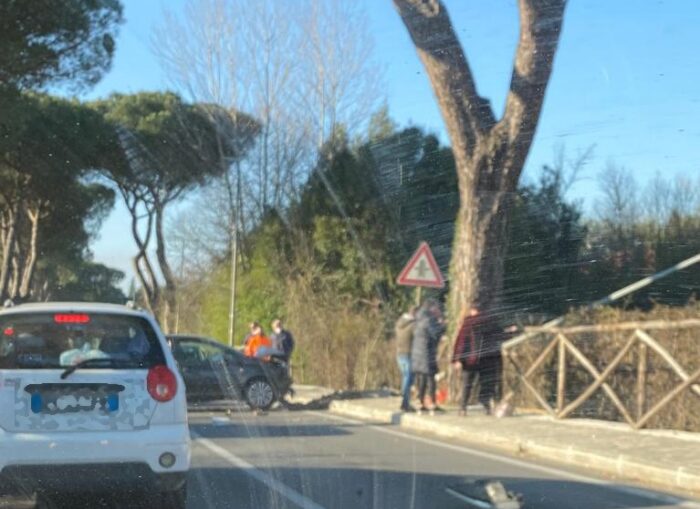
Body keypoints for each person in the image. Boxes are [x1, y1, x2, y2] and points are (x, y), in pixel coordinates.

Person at [452, 304, 500, 416]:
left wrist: (457, 359)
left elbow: (462, 341)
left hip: (470, 359)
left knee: (467, 384)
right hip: (487, 359)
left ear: (473, 310)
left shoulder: (469, 323)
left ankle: (463, 408)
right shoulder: (491, 321)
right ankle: (486, 406)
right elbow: (498, 336)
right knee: (485, 383)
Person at [411, 299, 446, 415]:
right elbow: (434, 333)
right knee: (430, 378)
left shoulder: (419, 318)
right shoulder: (428, 319)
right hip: (426, 353)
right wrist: (443, 325)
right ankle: (432, 403)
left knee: (423, 378)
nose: (438, 311)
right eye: (436, 308)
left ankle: (421, 402)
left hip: (418, 353)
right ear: (431, 308)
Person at [394, 306, 418, 412]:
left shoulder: (399, 323)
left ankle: (404, 398)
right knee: (408, 377)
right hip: (408, 353)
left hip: (399, 353)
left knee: (406, 376)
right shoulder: (413, 325)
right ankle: (405, 399)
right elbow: (417, 338)